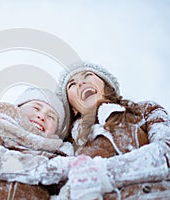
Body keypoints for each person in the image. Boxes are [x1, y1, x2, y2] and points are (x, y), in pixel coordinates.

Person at [54, 62, 170, 199]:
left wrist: (102, 174)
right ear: (71, 107)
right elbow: (55, 183)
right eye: (71, 84)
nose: (81, 83)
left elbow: (166, 151)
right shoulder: (68, 146)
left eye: (88, 75)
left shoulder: (146, 110)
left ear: (107, 85)